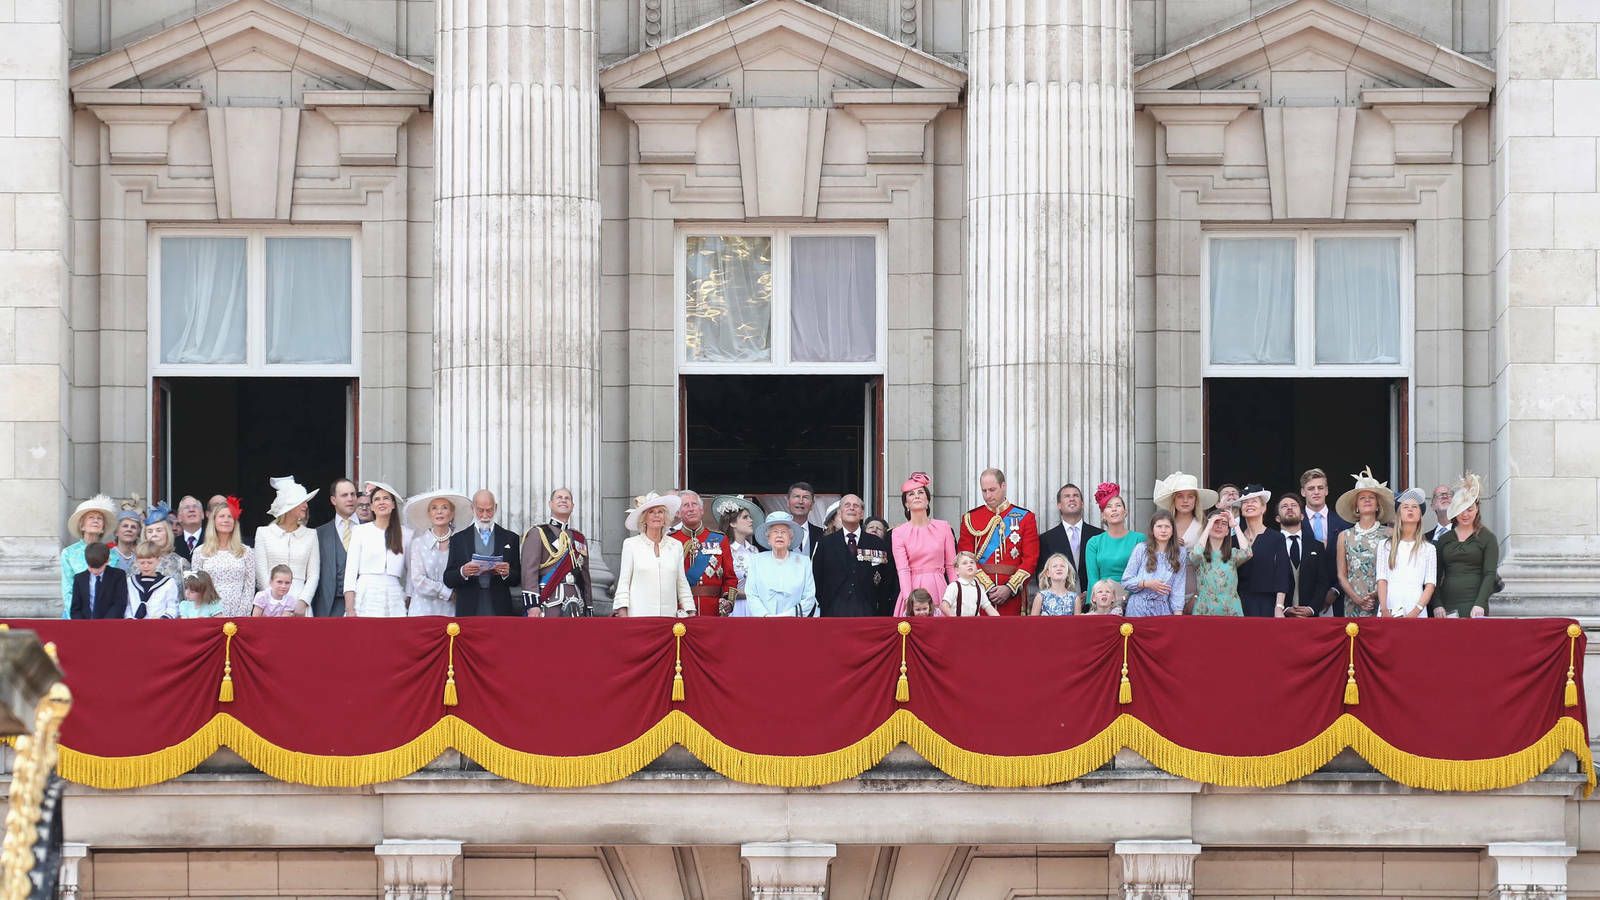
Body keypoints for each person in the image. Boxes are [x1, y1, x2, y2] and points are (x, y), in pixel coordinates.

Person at [956, 468, 1039, 615]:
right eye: (984, 491)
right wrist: (986, 587)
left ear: (1003, 486)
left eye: (992, 490)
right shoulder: (970, 519)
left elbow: (1030, 559)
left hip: (1013, 595)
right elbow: (965, 557)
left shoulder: (1025, 517)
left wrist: (1009, 588)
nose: (988, 495)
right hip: (979, 593)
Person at [812, 494, 899, 617]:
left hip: (869, 613)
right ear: (840, 513)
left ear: (862, 513)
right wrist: (828, 604)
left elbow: (887, 579)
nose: (851, 508)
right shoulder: (825, 544)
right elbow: (817, 579)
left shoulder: (877, 543)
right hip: (833, 614)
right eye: (847, 505)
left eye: (856, 506)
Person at [441, 489, 522, 617]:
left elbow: (517, 578)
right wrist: (463, 572)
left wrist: (507, 573)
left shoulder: (510, 538)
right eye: (480, 510)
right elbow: (448, 579)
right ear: (472, 508)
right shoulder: (458, 539)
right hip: (468, 607)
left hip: (500, 608)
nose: (485, 515)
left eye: (489, 510)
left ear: (495, 508)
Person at [614, 492, 693, 617]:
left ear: (665, 517)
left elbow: (682, 583)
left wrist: (690, 610)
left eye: (660, 511)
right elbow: (624, 583)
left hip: (669, 620)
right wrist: (623, 615)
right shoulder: (631, 545)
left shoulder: (676, 546)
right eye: (651, 512)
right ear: (644, 518)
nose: (656, 515)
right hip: (638, 618)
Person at [1432, 473, 1498, 618]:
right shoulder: (1443, 539)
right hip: (1447, 606)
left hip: (1475, 606)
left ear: (1477, 509)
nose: (1465, 514)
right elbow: (1434, 576)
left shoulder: (1488, 538)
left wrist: (1480, 603)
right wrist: (1437, 604)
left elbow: (1490, 574)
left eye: (1470, 509)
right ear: (1455, 511)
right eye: (1461, 509)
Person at [343, 481, 413, 618]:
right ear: (372, 507)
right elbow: (350, 573)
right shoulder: (360, 531)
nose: (381, 502)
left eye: (386, 498)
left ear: (393, 505)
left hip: (394, 598)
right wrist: (350, 608)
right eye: (377, 499)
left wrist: (407, 600)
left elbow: (411, 573)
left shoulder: (406, 534)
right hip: (365, 596)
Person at [520, 487, 593, 618]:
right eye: (559, 497)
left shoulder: (579, 538)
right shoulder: (538, 533)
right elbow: (529, 571)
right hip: (549, 601)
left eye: (567, 498)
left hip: (576, 602)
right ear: (550, 504)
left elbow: (585, 576)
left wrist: (589, 606)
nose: (563, 501)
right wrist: (532, 605)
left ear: (573, 505)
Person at [891, 472, 957, 617]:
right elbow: (902, 569)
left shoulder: (944, 527)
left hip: (940, 587)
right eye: (911, 494)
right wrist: (909, 600)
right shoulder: (898, 533)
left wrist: (957, 594)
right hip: (913, 587)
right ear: (906, 504)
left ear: (927, 500)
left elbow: (951, 566)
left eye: (920, 492)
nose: (916, 496)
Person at [1334, 467, 1395, 619]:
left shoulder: (1389, 534)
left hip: (1382, 601)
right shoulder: (1344, 536)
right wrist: (1357, 599)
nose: (1367, 500)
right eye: (1362, 498)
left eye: (1371, 497)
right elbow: (1341, 575)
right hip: (1353, 603)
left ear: (1378, 505)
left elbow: (1394, 570)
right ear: (1356, 506)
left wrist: (1375, 595)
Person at [254, 476, 321, 615]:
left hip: (300, 605)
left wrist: (303, 602)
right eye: (302, 502)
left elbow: (313, 574)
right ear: (289, 506)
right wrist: (273, 600)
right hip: (270, 606)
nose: (306, 506)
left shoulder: (311, 535)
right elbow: (261, 572)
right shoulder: (263, 533)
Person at [670, 491, 739, 616]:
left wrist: (729, 601)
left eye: (694, 504)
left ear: (701, 510)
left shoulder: (720, 539)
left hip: (712, 609)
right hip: (681, 609)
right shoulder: (671, 541)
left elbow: (730, 577)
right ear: (678, 513)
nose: (691, 509)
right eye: (685, 505)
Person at [405, 489, 472, 618]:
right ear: (429, 514)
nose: (439, 512)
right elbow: (418, 580)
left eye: (444, 508)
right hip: (422, 611)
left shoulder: (461, 543)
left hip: (451, 611)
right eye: (434, 508)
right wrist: (447, 593)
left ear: (452, 514)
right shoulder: (418, 543)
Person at [745, 511, 819, 617]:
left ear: (790, 539)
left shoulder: (804, 562)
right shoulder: (756, 561)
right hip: (763, 622)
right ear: (768, 539)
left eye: (784, 532)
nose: (779, 535)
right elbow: (752, 595)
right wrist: (765, 616)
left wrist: (788, 616)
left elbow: (809, 597)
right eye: (775, 532)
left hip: (793, 623)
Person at [193, 497, 258, 618]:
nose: (226, 520)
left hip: (239, 615)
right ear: (214, 521)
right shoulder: (200, 552)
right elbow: (197, 587)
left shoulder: (246, 552)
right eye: (221, 516)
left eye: (230, 517)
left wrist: (241, 616)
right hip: (208, 614)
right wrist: (209, 613)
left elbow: (249, 588)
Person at [1235, 484, 1293, 618]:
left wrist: (1279, 607)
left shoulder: (1276, 538)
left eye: (1254, 501)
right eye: (1245, 502)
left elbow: (1282, 574)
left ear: (1264, 508)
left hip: (1266, 604)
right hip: (1238, 604)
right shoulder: (1233, 539)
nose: (1249, 505)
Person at [1378, 488, 1437, 618]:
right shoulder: (1384, 545)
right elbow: (1382, 580)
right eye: (1405, 507)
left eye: (1415, 507)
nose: (1410, 509)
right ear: (1398, 514)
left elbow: (1430, 584)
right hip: (1389, 608)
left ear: (1420, 515)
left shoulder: (1429, 549)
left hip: (1417, 610)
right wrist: (1384, 609)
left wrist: (1416, 611)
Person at [1299, 467, 1350, 615]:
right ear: (1303, 492)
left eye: (1320, 488)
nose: (1316, 492)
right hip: (1303, 600)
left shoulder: (1343, 524)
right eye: (1311, 488)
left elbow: (1350, 562)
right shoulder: (1294, 523)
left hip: (1337, 599)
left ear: (1326, 490)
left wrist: (1336, 590)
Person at [1037, 483, 1102, 594]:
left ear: (1082, 503)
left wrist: (1089, 594)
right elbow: (1043, 575)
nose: (1072, 499)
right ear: (1059, 505)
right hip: (1060, 604)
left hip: (1095, 602)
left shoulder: (1099, 536)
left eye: (1076, 495)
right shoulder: (1046, 539)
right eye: (1067, 496)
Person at [1121, 510, 1187, 617]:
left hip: (1163, 610)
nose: (1163, 530)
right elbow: (1126, 581)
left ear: (1173, 530)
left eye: (1167, 526)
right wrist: (1146, 583)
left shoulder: (1180, 552)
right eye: (1159, 526)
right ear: (1152, 529)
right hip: (1138, 608)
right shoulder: (1141, 549)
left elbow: (1178, 586)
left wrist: (1178, 614)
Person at [1276, 493, 1332, 617]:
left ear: (1302, 516)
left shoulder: (1317, 546)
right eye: (1284, 506)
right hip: (1280, 616)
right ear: (1277, 518)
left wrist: (1312, 608)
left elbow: (1322, 581)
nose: (1289, 508)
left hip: (1310, 618)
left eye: (1294, 505)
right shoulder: (1271, 544)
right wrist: (1283, 609)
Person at [61, 494, 116, 617]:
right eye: (91, 517)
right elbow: (67, 589)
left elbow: (112, 592)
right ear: (82, 526)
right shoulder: (69, 553)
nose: (96, 520)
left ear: (103, 528)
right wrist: (77, 619)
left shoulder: (113, 555)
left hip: (104, 619)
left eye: (99, 518)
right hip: (75, 618)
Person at [314, 478, 362, 618]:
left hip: (362, 604)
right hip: (329, 607)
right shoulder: (319, 534)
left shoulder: (369, 529)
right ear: (333, 500)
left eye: (353, 494)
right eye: (344, 495)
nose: (350, 499)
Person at [1084, 484, 1143, 597]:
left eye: (1118, 505)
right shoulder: (1094, 543)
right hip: (1103, 600)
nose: (1114, 509)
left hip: (1133, 598)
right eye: (1109, 506)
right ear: (1103, 515)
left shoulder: (1139, 539)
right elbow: (1093, 579)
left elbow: (1143, 574)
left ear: (1125, 512)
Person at [1188, 512, 1251, 616]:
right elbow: (1195, 554)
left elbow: (1248, 553)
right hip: (1204, 610)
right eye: (1215, 522)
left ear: (1227, 532)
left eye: (1224, 523)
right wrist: (1208, 526)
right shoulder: (1201, 555)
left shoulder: (1233, 554)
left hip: (1231, 610)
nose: (1219, 526)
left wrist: (1235, 525)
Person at [712, 495, 764, 616]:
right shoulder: (722, 551)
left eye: (750, 517)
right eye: (745, 517)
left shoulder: (754, 550)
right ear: (732, 523)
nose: (751, 520)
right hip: (733, 609)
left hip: (755, 609)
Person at [1153, 472, 1217, 551]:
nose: (1185, 500)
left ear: (1196, 500)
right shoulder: (1162, 524)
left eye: (1190, 496)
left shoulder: (1205, 524)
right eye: (1180, 496)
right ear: (1174, 500)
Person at [69, 541, 128, 620]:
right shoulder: (79, 578)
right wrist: (82, 625)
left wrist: (103, 625)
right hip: (84, 626)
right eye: (91, 567)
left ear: (107, 561)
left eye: (99, 568)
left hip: (110, 625)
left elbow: (119, 603)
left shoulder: (118, 576)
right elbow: (75, 608)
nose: (95, 571)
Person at [128, 541, 179, 620]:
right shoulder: (130, 581)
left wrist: (163, 618)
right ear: (136, 561)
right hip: (134, 624)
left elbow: (172, 607)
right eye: (142, 563)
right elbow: (128, 605)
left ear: (158, 560)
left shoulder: (168, 582)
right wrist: (129, 618)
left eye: (150, 562)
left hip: (159, 625)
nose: (146, 566)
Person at [942, 551, 998, 616]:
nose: (969, 565)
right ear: (957, 570)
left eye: (972, 562)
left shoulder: (979, 588)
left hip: (975, 625)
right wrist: (955, 620)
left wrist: (1001, 622)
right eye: (965, 563)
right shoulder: (954, 586)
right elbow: (944, 606)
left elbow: (989, 608)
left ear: (976, 568)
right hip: (958, 624)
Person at [142, 506, 187, 580]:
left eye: (159, 530)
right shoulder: (137, 562)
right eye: (150, 531)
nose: (154, 534)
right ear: (145, 535)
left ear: (168, 533)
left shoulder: (181, 563)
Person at [785, 482, 826, 558]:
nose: (800, 501)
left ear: (812, 504)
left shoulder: (823, 535)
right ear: (788, 502)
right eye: (796, 496)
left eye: (805, 497)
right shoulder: (777, 534)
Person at [110, 507, 142, 573]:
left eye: (133, 527)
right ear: (116, 532)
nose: (129, 529)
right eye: (125, 526)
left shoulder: (141, 557)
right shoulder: (108, 556)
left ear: (138, 534)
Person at [174, 496, 206, 560]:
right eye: (187, 507)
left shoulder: (214, 540)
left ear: (202, 514)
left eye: (195, 507)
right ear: (179, 517)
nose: (191, 510)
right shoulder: (172, 545)